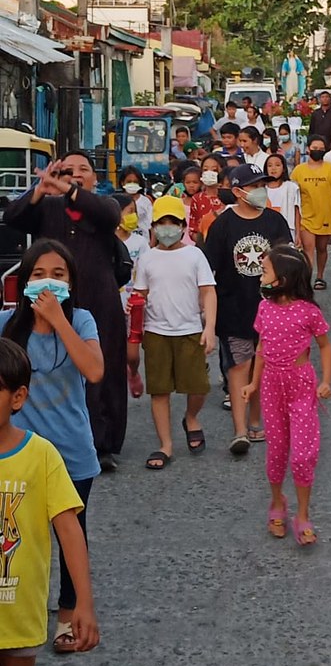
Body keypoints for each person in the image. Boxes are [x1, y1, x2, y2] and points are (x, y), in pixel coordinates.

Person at [0, 240, 102, 657]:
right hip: (17, 456)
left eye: (59, 275)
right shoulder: (7, 324)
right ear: (24, 281)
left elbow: (94, 370)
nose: (48, 281)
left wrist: (59, 321)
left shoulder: (81, 320)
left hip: (70, 454)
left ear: (71, 283)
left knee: (70, 535)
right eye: (39, 273)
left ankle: (67, 613)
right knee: (16, 536)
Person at [5, 152, 127, 473]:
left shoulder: (106, 205)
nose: (73, 175)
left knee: (104, 369)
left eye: (82, 171)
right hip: (51, 301)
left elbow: (107, 216)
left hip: (99, 301)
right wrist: (41, 188)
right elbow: (13, 216)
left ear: (94, 179)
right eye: (67, 170)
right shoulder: (48, 207)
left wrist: (70, 189)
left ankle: (104, 443)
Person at [0, 338, 99, 666]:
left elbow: (70, 532)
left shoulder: (40, 456)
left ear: (18, 397)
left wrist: (83, 604)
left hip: (19, 612)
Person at [242, 245, 331, 545]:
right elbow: (261, 348)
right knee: (277, 450)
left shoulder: (309, 312)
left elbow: (325, 346)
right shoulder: (263, 308)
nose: (261, 274)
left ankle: (303, 513)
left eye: (266, 270)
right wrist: (253, 383)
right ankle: (278, 501)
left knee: (304, 454)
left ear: (282, 279)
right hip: (271, 384)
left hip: (301, 384)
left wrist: (326, 381)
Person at [204, 164, 292, 455]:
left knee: (262, 367)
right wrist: (206, 313)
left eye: (262, 184)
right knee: (239, 366)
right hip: (234, 309)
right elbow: (208, 270)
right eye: (254, 185)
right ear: (239, 191)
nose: (260, 190)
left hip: (271, 310)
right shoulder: (223, 225)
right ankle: (240, 430)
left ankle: (256, 420)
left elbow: (287, 262)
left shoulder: (275, 222)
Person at [133, 195, 216, 470]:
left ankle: (191, 417)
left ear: (183, 225)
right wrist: (134, 315)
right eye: (161, 223)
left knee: (198, 385)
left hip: (190, 329)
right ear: (153, 226)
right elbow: (139, 293)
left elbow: (208, 291)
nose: (167, 228)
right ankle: (165, 444)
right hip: (155, 331)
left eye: (173, 222)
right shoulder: (147, 258)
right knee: (159, 390)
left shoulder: (194, 255)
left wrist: (210, 328)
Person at [290, 136, 331, 291]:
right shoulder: (298, 170)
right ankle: (306, 279)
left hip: (326, 215)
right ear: (308, 149)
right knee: (308, 248)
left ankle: (320, 276)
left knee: (321, 248)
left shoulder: (330, 169)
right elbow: (292, 193)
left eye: (321, 149)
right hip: (306, 215)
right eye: (315, 148)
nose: (317, 151)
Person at [115, 194, 150, 396]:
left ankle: (133, 371)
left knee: (132, 354)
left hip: (134, 303)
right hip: (112, 303)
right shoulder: (105, 241)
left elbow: (147, 272)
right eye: (129, 212)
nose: (133, 217)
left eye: (135, 213)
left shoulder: (140, 243)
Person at [187, 154, 227, 239]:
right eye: (205, 169)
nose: (209, 173)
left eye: (214, 170)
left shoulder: (228, 197)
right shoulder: (197, 199)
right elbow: (193, 229)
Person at [265, 154, 301, 244]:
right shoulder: (261, 189)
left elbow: (297, 212)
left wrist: (298, 234)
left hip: (287, 229)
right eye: (270, 166)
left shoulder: (291, 187)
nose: (273, 168)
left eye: (277, 165)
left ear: (284, 168)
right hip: (265, 229)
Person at [118, 166, 153, 240]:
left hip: (144, 240)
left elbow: (152, 225)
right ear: (122, 183)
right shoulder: (117, 201)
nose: (132, 184)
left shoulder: (145, 201)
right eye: (129, 182)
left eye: (135, 182)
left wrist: (152, 244)